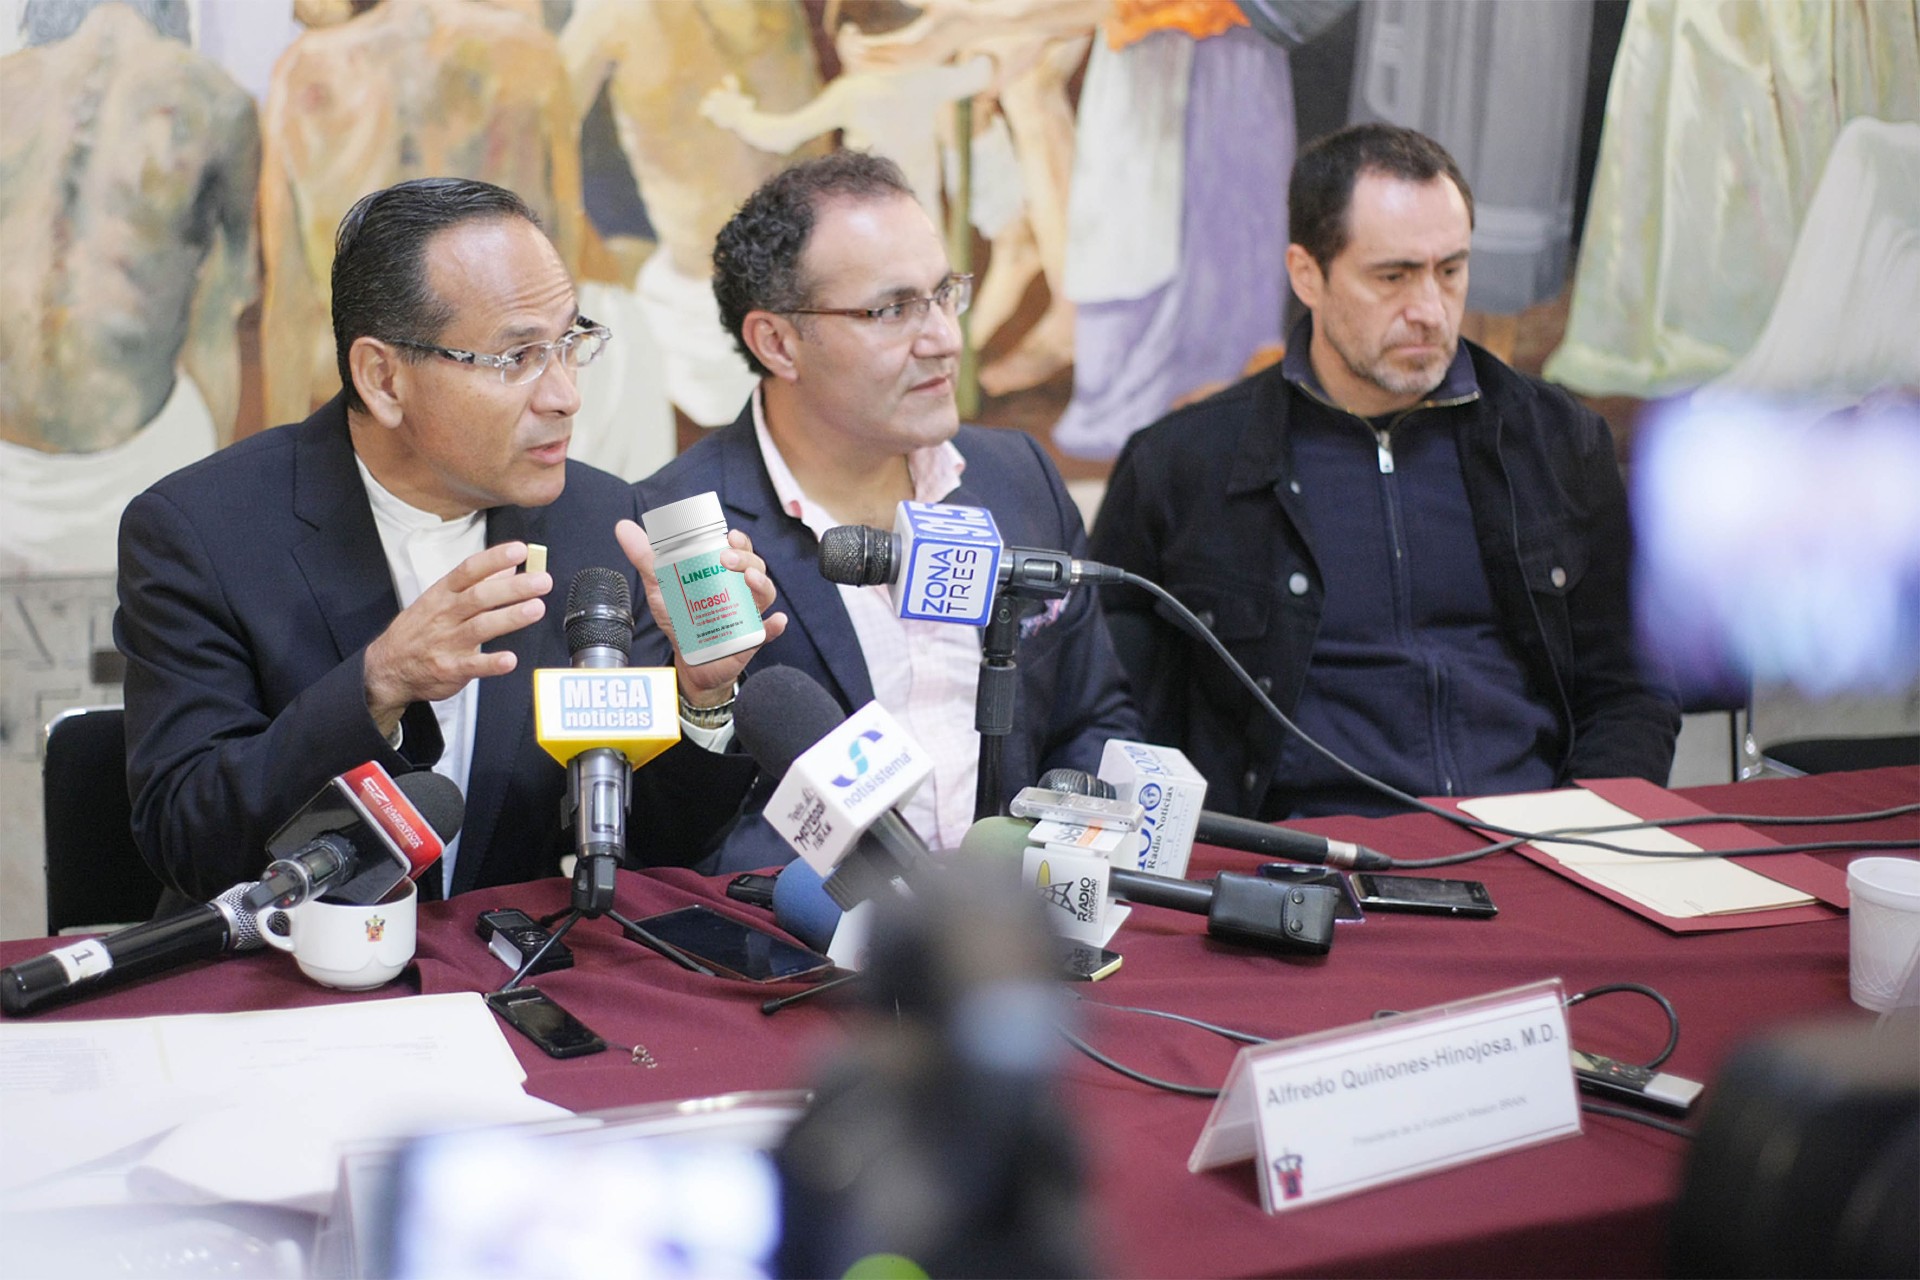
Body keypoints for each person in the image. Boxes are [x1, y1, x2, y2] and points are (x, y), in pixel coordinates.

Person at [116, 178, 784, 904]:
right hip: (284, 958)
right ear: (383, 379)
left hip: (503, 960)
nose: (565, 395)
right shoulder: (202, 531)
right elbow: (189, 839)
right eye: (517, 357)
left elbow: (657, 849)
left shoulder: (603, 524)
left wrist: (701, 698)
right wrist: (376, 685)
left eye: (570, 343)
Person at [1091, 123, 1679, 821]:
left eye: (1450, 271)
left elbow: (1631, 688)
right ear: (1307, 274)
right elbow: (1107, 707)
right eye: (1393, 277)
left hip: (1529, 839)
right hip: (1298, 856)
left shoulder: (1555, 442)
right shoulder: (1182, 466)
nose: (1429, 311)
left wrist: (1585, 827)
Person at [634, 151, 1138, 872]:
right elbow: (667, 837)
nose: (945, 340)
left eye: (945, 294)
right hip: (806, 931)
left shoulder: (1017, 477)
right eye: (893, 310)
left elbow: (1092, 719)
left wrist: (1047, 871)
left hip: (1020, 916)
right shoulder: (678, 530)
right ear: (777, 343)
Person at [0, 0, 258, 576]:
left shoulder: (217, 106)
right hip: (117, 466)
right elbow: (218, 322)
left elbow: (220, 317)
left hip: (142, 468)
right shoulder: (217, 102)